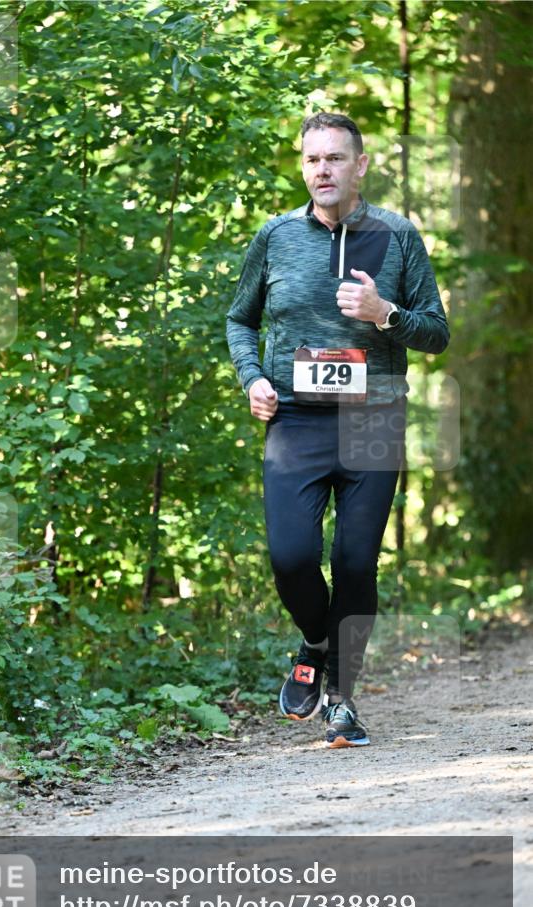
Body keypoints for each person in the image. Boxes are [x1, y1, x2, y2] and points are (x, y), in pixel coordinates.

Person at [225, 111, 449, 748]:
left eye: (334, 158)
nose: (322, 169)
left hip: (375, 419)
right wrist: (251, 379)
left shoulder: (398, 236)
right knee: (292, 559)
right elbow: (241, 320)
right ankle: (318, 641)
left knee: (355, 563)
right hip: (296, 420)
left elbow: (436, 332)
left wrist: (386, 314)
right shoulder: (275, 236)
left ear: (361, 165)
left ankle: (342, 700)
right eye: (312, 159)